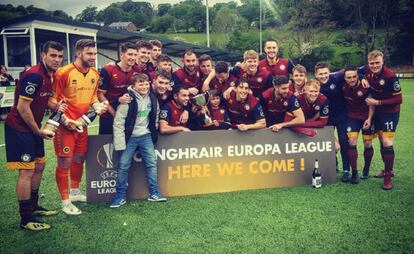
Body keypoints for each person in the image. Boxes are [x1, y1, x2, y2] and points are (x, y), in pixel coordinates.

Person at [4, 41, 65, 231]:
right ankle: (25, 219)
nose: (57, 60)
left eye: (60, 56)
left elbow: (43, 99)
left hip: (33, 129)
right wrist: (37, 131)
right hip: (20, 129)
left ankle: (34, 207)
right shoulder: (34, 75)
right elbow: (22, 107)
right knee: (27, 171)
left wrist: (53, 106)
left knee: (39, 165)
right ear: (43, 56)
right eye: (53, 55)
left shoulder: (50, 76)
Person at [49, 39, 107, 215]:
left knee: (79, 158)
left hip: (83, 124)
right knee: (65, 161)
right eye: (89, 54)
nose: (93, 57)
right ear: (79, 53)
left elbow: (93, 97)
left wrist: (97, 105)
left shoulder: (95, 73)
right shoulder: (63, 73)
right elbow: (52, 101)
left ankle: (74, 192)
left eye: (95, 54)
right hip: (65, 125)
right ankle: (65, 202)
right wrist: (64, 119)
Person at [111, 73, 166, 207]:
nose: (144, 86)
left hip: (145, 136)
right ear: (134, 86)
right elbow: (118, 122)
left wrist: (154, 130)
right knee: (123, 166)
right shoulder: (127, 99)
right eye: (140, 83)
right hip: (129, 138)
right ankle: (120, 196)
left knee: (152, 163)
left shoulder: (152, 98)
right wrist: (119, 144)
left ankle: (154, 193)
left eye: (146, 83)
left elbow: (156, 115)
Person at [359, 50, 402, 190]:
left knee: (387, 141)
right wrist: (362, 77)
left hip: (389, 112)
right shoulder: (366, 69)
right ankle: (386, 170)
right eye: (372, 63)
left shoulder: (390, 76)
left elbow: (398, 99)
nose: (374, 65)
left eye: (377, 62)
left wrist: (377, 102)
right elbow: (359, 71)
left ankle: (388, 176)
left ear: (382, 61)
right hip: (375, 112)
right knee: (379, 140)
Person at [314, 61, 350, 174]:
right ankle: (333, 164)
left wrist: (363, 77)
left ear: (329, 72)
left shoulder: (337, 77)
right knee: (328, 144)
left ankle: (346, 169)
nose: (323, 76)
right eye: (320, 74)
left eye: (325, 73)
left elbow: (355, 71)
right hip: (326, 118)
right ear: (316, 75)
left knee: (344, 142)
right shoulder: (314, 85)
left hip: (341, 116)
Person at [342, 66, 375, 183]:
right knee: (352, 141)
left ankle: (366, 169)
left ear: (358, 76)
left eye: (354, 76)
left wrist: (370, 119)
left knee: (367, 143)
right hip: (352, 117)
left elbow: (371, 103)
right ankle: (354, 172)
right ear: (344, 78)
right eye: (349, 77)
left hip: (366, 117)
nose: (352, 79)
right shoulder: (342, 85)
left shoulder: (365, 86)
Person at [97, 42, 138, 135]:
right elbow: (100, 95)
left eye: (135, 55)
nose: (133, 57)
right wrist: (114, 114)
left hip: (126, 114)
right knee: (106, 144)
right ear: (122, 54)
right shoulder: (108, 70)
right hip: (108, 113)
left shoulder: (137, 70)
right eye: (130, 54)